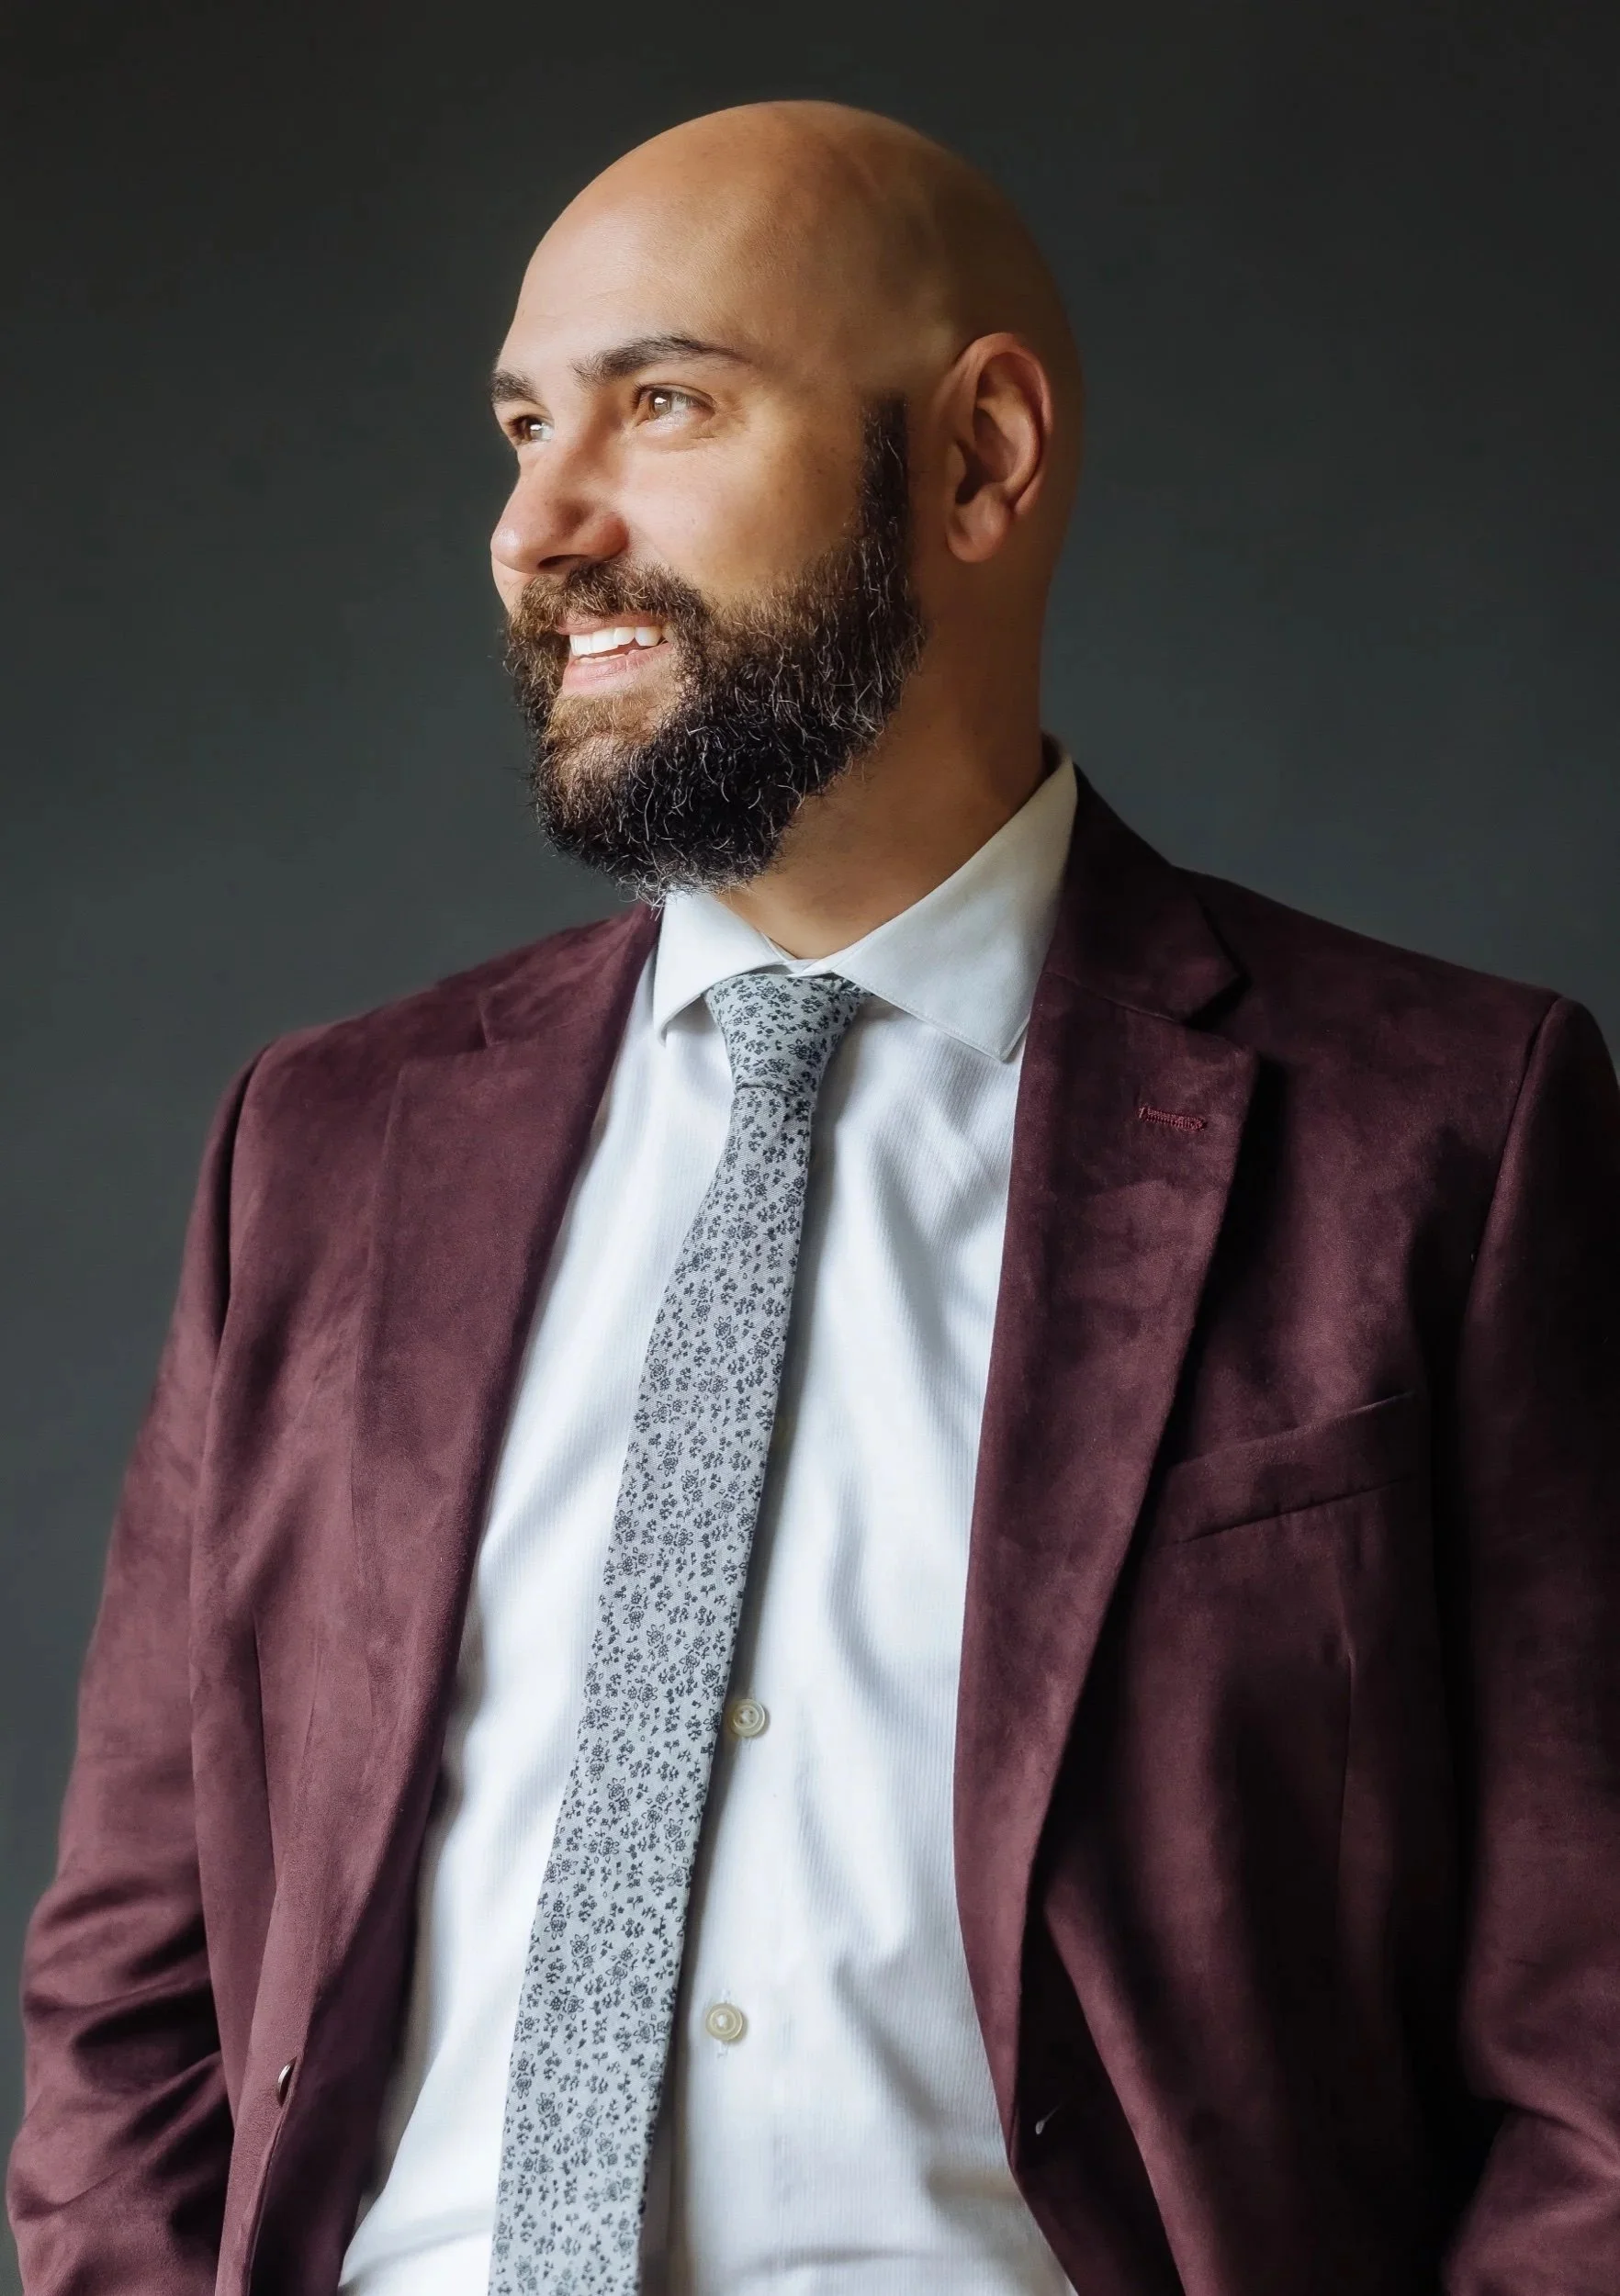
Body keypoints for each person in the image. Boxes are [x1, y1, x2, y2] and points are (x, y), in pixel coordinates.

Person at [9, 96, 1620, 2296]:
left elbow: (1592, 2053)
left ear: (978, 456)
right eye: (522, 426)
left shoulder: (1443, 1133)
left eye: (662, 402)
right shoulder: (321, 1144)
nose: (536, 527)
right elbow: (133, 1992)